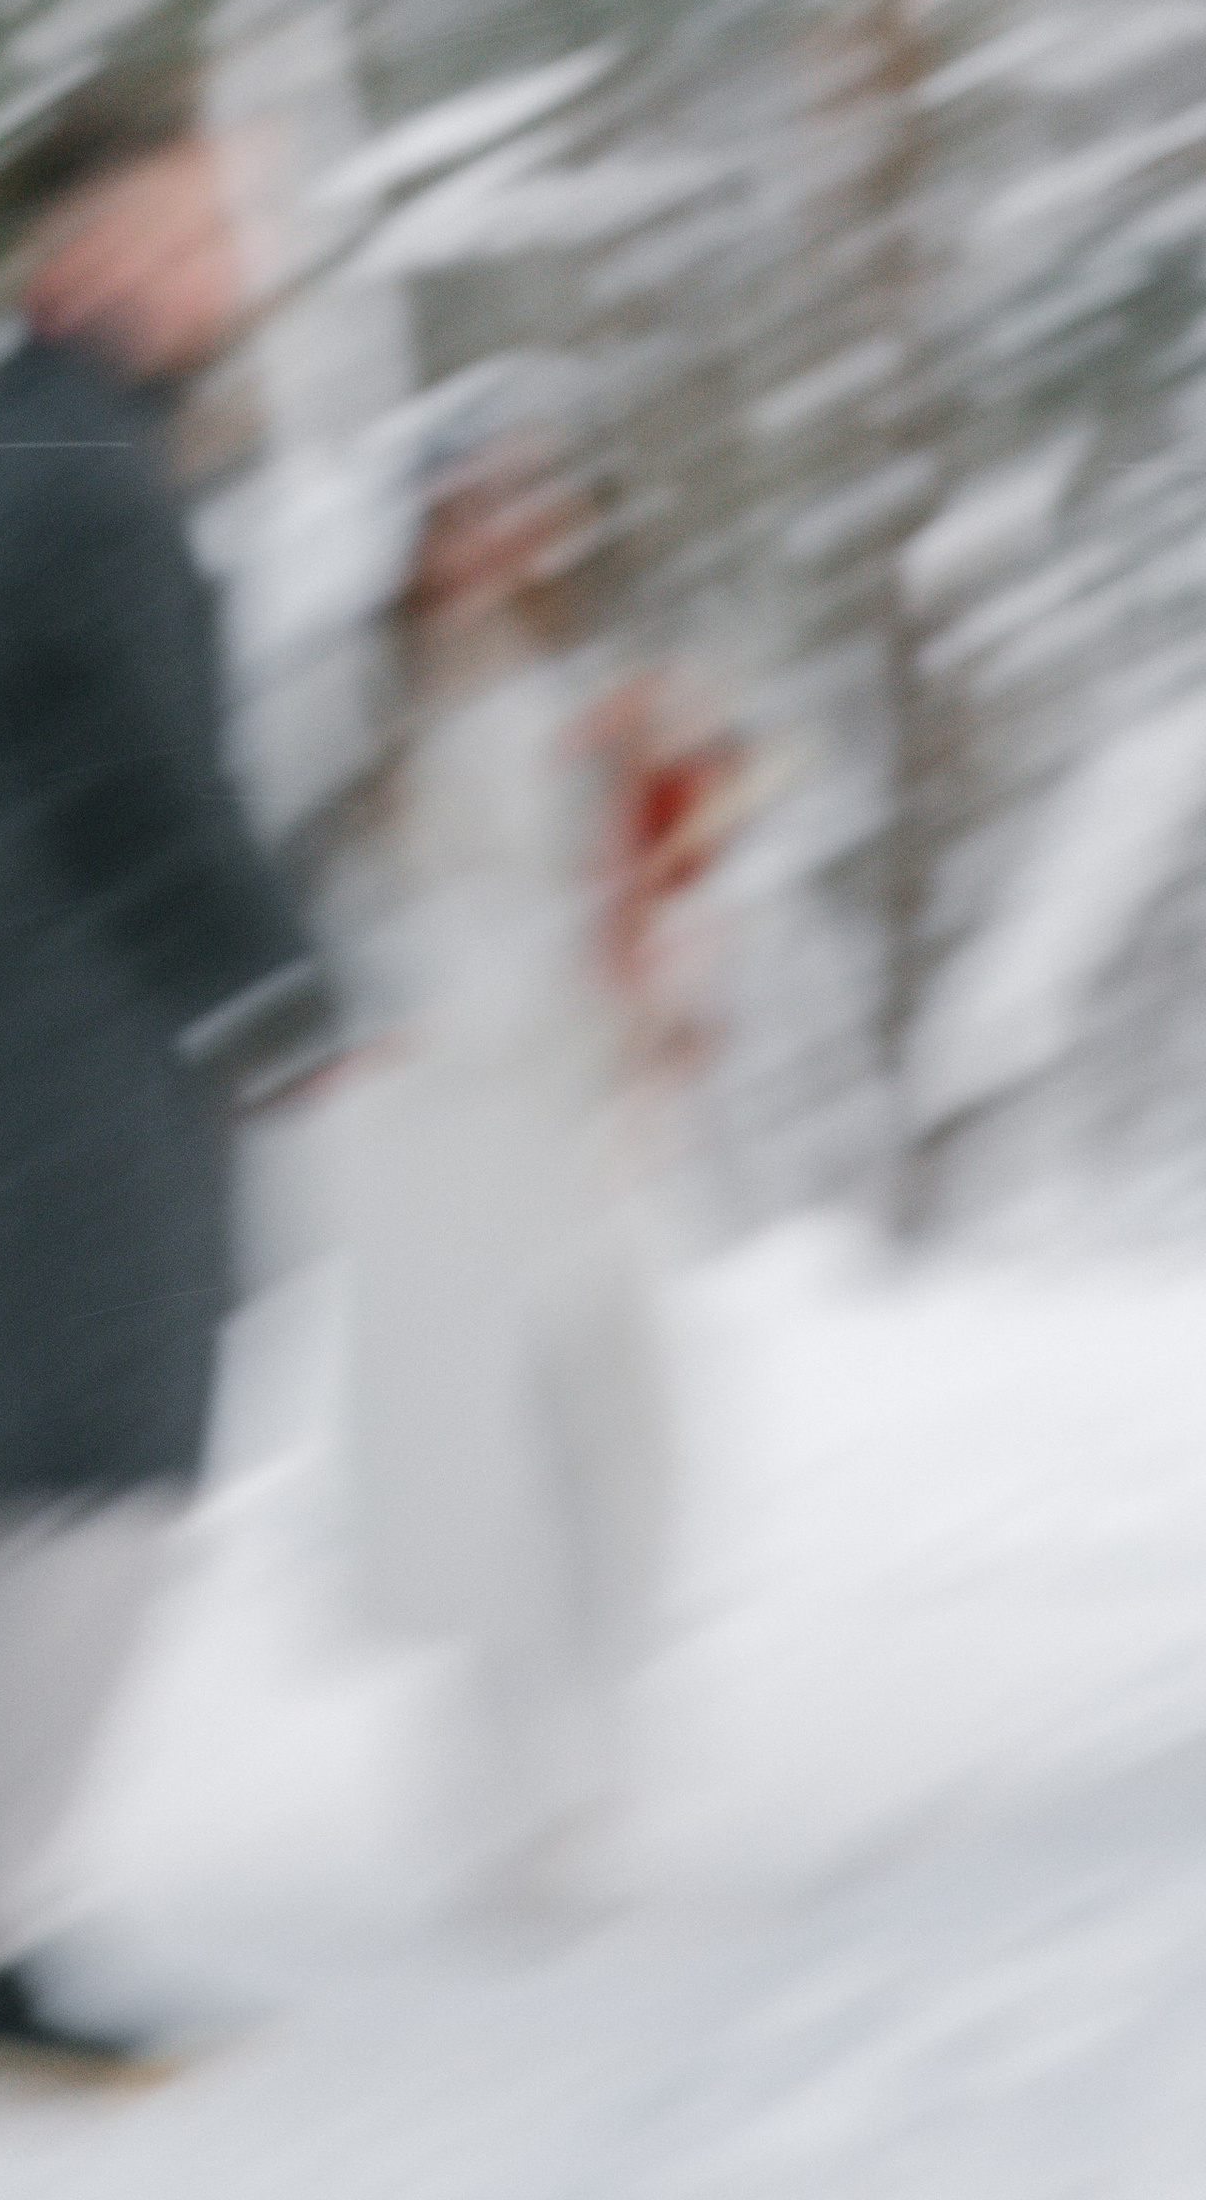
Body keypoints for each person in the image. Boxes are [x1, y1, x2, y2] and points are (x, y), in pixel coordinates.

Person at [0, 58, 341, 2083]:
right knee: (103, 1470)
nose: (232, 263)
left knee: (61, 1471)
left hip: (26, 1036)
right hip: (58, 1045)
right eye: (197, 227)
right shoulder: (70, 462)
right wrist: (280, 993)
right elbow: (144, 781)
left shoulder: (43, 439)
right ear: (92, 253)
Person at [327, 428, 731, 1913]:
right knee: (490, 1463)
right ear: (419, 538)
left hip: (589, 1128)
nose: (500, 539)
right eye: (466, 514)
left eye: (525, 509)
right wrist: (563, 958)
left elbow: (665, 880)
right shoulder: (371, 719)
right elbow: (378, 940)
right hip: (452, 1138)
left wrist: (667, 968)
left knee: (629, 1446)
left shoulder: (598, 693)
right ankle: (517, 1797)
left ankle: (602, 1756)